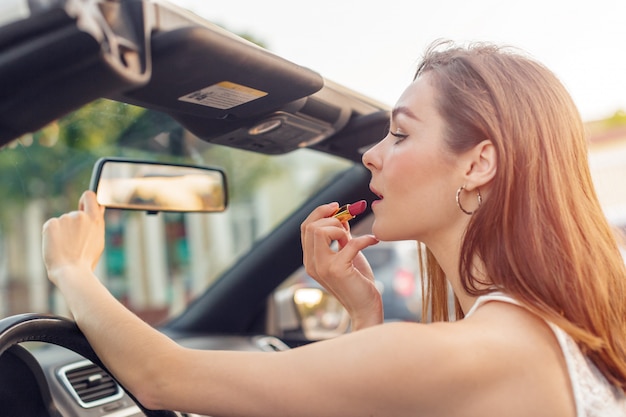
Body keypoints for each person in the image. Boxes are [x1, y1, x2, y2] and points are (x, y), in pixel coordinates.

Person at [42, 40, 626, 417]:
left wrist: (72, 268)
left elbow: (160, 378)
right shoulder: (538, 333)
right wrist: (364, 315)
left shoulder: (481, 350)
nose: (372, 155)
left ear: (478, 164)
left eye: (399, 134)